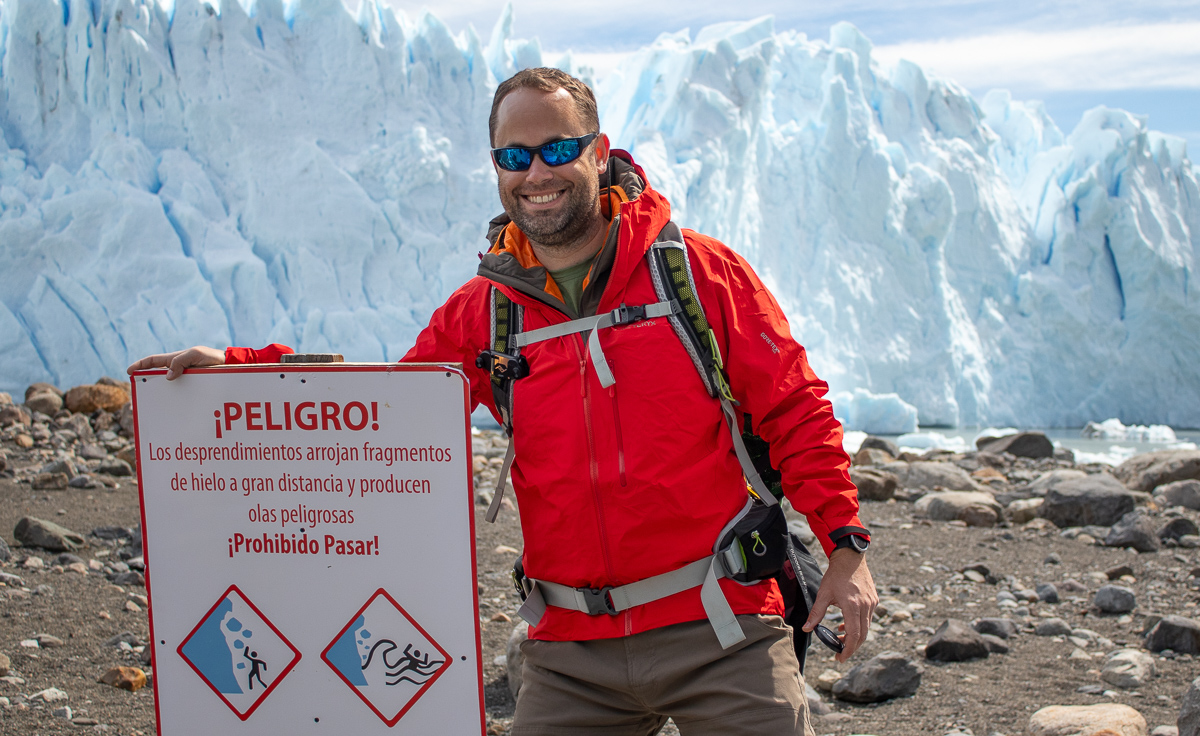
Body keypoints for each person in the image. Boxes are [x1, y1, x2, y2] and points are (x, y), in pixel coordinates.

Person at [129, 67, 877, 735]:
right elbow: (380, 417)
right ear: (497, 169)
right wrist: (243, 371)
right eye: (513, 158)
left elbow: (793, 406)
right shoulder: (485, 312)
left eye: (556, 149)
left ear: (597, 148)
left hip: (720, 626)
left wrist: (844, 546)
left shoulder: (697, 274)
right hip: (568, 652)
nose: (536, 173)